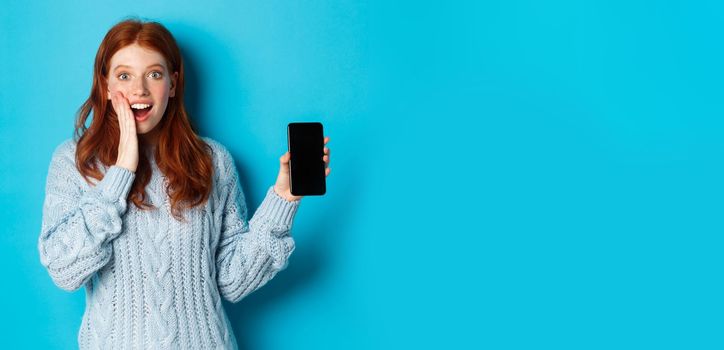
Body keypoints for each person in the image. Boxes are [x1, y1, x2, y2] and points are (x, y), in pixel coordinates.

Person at [37, 18, 331, 349]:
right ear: (105, 85)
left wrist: (283, 198)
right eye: (124, 75)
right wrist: (121, 170)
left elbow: (233, 281)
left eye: (154, 74)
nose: (139, 89)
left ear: (173, 84)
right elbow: (64, 270)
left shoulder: (213, 161)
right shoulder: (75, 162)